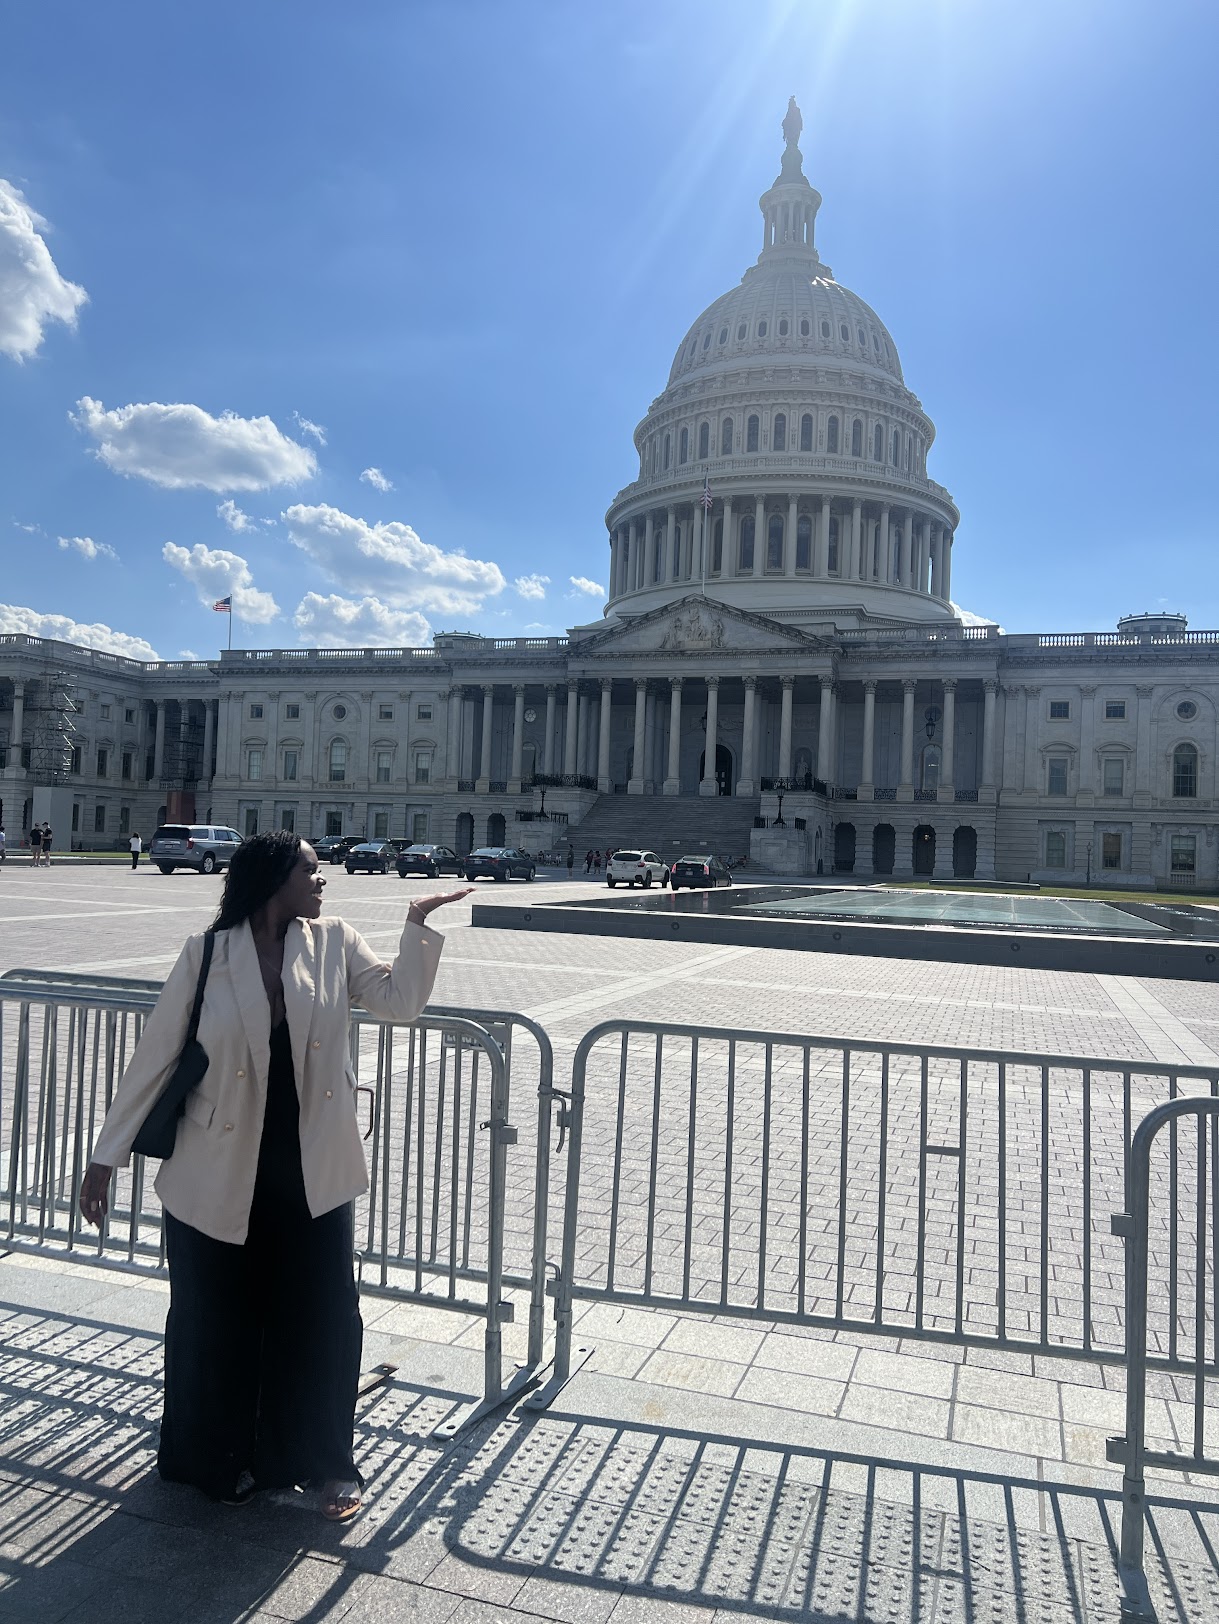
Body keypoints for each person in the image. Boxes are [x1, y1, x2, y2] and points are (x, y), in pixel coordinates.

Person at [79, 831, 470, 1520]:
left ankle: (323, 1466)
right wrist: (104, 1158)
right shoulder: (206, 954)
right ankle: (214, 1459)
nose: (322, 881)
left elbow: (400, 1002)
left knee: (321, 1318)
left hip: (310, 1169)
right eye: (310, 871)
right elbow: (155, 1058)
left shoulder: (335, 941)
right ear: (271, 879)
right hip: (215, 1167)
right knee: (214, 1321)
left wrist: (415, 924)